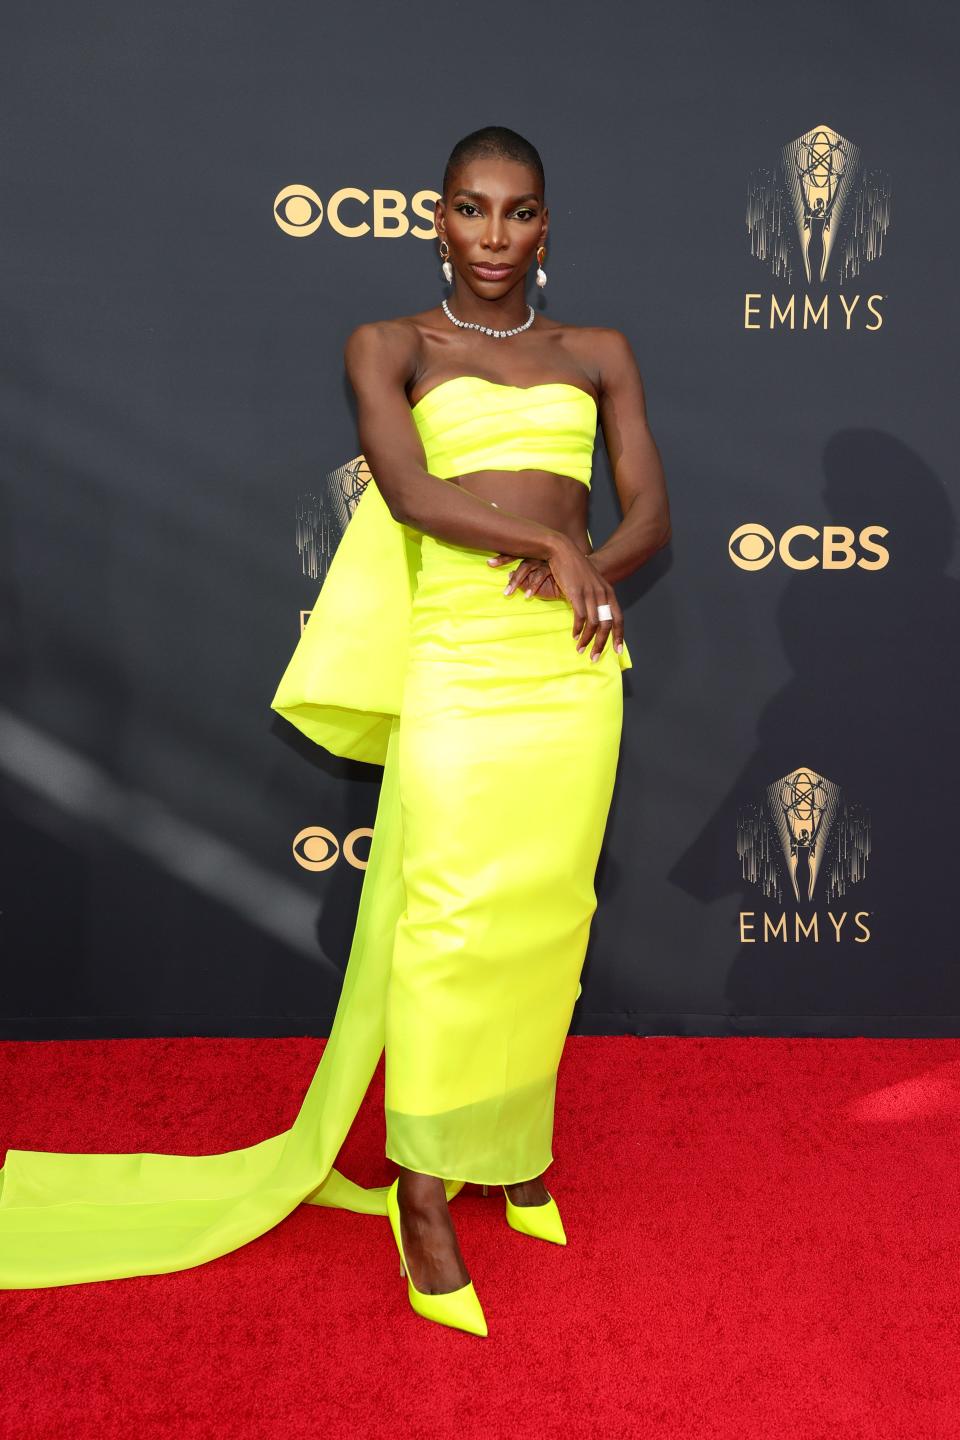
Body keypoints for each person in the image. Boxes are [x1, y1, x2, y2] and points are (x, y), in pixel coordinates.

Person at [0, 125, 670, 1339]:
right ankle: (421, 1189)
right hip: (463, 653)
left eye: (519, 214)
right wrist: (555, 546)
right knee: (453, 921)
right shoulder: (390, 345)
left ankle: (514, 1146)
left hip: (573, 658)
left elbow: (650, 517)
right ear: (438, 219)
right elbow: (412, 495)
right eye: (472, 210)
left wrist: (592, 567)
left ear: (545, 226)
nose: (495, 237)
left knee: (548, 914)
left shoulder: (600, 351)